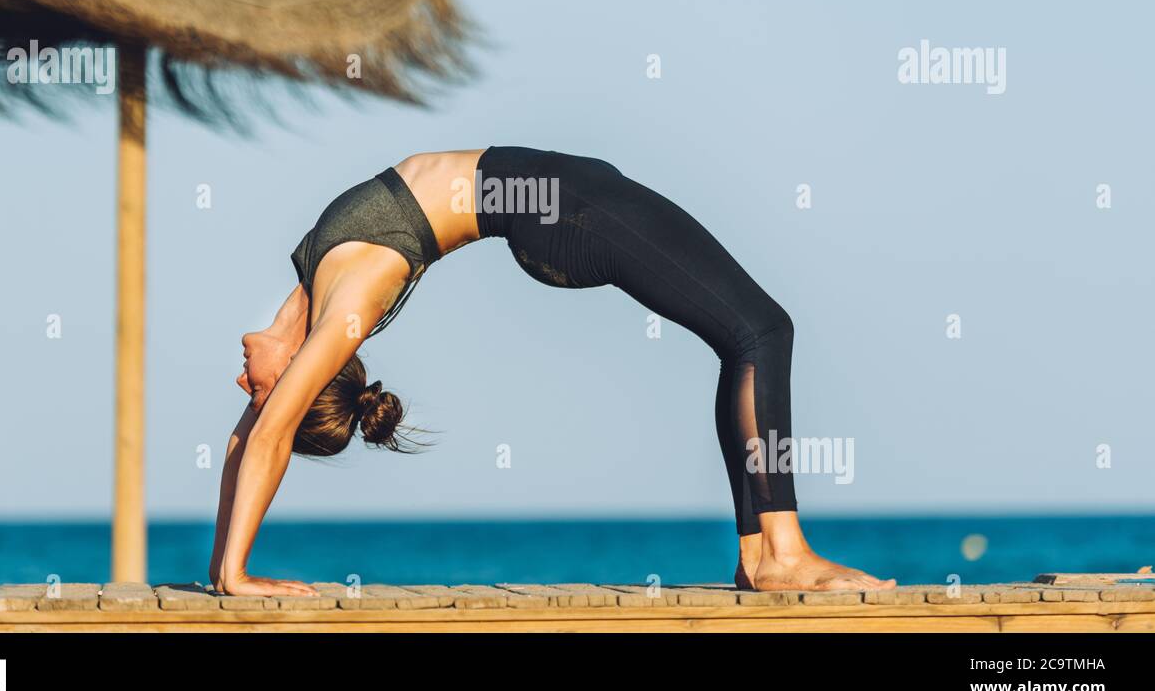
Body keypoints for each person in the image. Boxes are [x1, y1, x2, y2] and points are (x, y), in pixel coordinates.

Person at [210, 147, 895, 595]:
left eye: (253, 392)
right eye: (263, 394)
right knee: (760, 330)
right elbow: (270, 436)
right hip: (562, 212)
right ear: (302, 378)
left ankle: (762, 553)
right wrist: (242, 575)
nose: (246, 387)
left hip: (564, 191)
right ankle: (779, 550)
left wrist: (220, 568)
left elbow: (251, 440)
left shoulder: (307, 289)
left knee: (748, 332)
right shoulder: (346, 308)